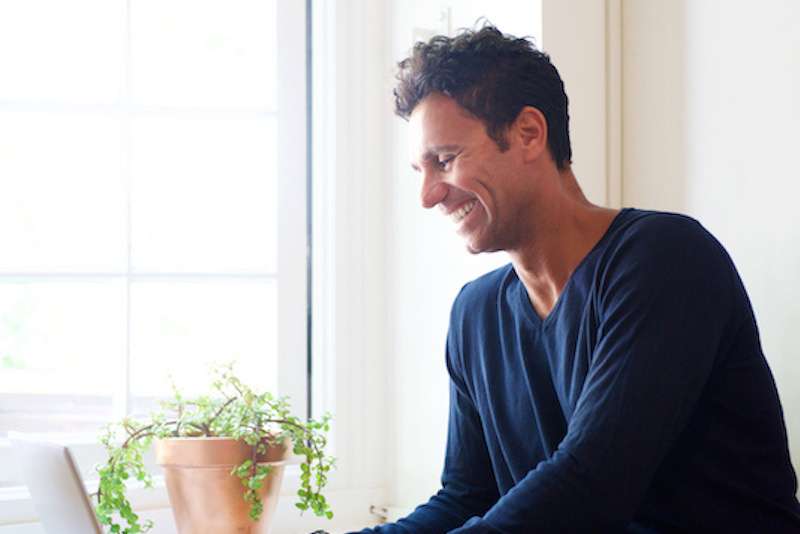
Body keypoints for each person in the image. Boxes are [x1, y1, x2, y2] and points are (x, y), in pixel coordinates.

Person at [353, 24, 800, 533]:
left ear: (528, 134)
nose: (429, 195)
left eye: (446, 161)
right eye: (420, 171)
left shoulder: (665, 259)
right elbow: (465, 498)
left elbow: (591, 484)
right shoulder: (475, 314)